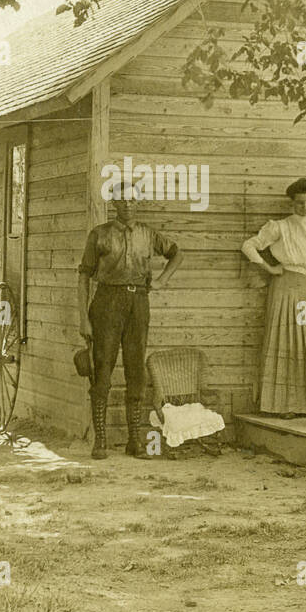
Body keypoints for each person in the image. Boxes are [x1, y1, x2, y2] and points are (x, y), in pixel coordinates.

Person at [77, 182, 183, 460]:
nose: (127, 205)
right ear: (114, 203)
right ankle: (100, 442)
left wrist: (161, 281)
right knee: (102, 372)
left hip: (138, 304)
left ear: (139, 202)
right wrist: (83, 319)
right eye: (122, 200)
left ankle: (134, 441)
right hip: (106, 305)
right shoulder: (99, 235)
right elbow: (84, 276)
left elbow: (176, 253)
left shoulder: (148, 234)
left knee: (137, 373)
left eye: (132, 200)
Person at [241, 177, 306, 418]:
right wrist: (269, 268)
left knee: (305, 340)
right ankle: (283, 405)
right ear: (291, 203)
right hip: (285, 287)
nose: (304, 208)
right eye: (299, 204)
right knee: (285, 338)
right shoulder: (280, 227)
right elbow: (249, 246)